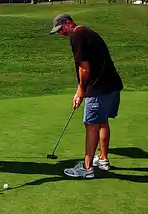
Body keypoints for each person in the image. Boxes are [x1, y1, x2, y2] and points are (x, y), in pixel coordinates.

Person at [50, 13, 124, 179]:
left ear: (68, 23)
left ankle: (87, 167)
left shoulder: (77, 35)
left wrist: (81, 90)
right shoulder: (86, 33)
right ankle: (103, 159)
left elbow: (84, 67)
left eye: (61, 29)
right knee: (102, 120)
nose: (60, 34)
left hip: (98, 87)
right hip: (111, 85)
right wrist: (80, 88)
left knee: (91, 125)